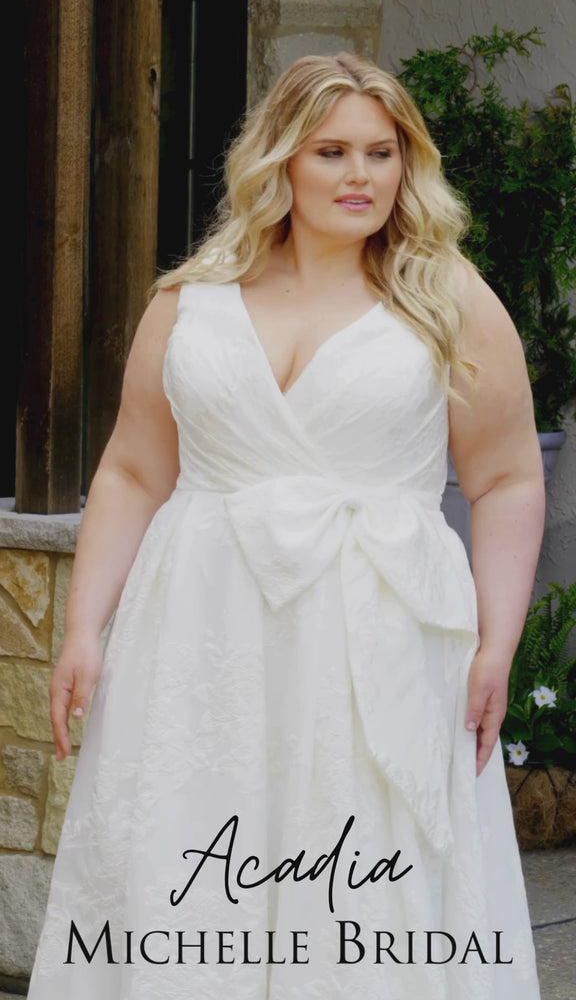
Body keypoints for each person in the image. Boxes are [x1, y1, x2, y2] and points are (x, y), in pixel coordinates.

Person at [28, 53, 544, 999]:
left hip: (378, 630)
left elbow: (508, 478)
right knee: (194, 851)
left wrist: (496, 644)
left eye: (383, 153)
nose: (362, 176)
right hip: (201, 628)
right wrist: (84, 627)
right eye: (333, 151)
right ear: (279, 162)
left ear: (408, 164)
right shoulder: (190, 300)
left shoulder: (449, 299)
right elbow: (136, 470)